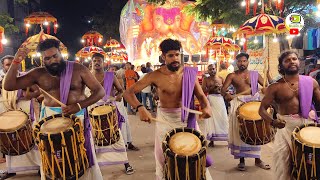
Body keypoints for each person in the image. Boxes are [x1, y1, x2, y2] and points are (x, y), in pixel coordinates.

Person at [3, 39, 105, 180]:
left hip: (77, 118)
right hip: (49, 122)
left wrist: (79, 106)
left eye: (55, 56)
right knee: (54, 160)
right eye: (48, 58)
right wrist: (16, 62)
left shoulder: (78, 69)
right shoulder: (38, 74)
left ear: (61, 53)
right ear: (42, 59)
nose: (53, 60)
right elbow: (8, 85)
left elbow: (100, 92)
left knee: (81, 158)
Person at [124, 38, 213, 179]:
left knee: (195, 153)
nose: (175, 58)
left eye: (177, 55)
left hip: (187, 118)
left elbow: (201, 96)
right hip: (165, 118)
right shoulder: (155, 75)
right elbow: (128, 93)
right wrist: (140, 108)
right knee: (165, 156)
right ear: (163, 57)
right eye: (171, 55)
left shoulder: (189, 74)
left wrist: (207, 106)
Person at [259, 50, 320, 180]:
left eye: (294, 59)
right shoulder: (275, 87)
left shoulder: (311, 82)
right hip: (285, 128)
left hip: (307, 127)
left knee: (309, 165)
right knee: (283, 164)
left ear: (299, 62)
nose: (291, 61)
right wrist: (273, 121)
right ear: (281, 66)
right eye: (287, 60)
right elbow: (262, 110)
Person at [221, 52, 270, 171]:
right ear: (236, 63)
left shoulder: (255, 74)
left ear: (248, 62)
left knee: (256, 130)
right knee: (240, 131)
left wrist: (264, 87)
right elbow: (223, 89)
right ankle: (241, 160)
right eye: (239, 61)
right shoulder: (232, 76)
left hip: (254, 105)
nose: (242, 63)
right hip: (239, 103)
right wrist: (226, 94)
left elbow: (266, 86)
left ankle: (257, 159)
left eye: (244, 61)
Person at [88, 53, 134, 174]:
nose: (97, 62)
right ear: (91, 62)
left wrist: (117, 97)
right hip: (93, 111)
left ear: (104, 62)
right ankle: (93, 166)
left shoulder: (110, 76)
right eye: (94, 61)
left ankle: (126, 163)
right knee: (93, 139)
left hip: (110, 111)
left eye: (99, 60)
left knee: (117, 136)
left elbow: (121, 91)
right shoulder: (88, 76)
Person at [0, 55, 42, 179]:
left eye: (13, 64)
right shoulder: (2, 80)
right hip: (10, 114)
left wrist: (30, 95)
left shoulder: (25, 77)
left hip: (25, 113)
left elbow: (38, 92)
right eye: (7, 64)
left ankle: (39, 166)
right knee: (10, 141)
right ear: (3, 66)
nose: (10, 66)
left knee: (32, 139)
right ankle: (11, 169)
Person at [109, 65, 139, 151]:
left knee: (124, 124)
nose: (113, 71)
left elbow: (121, 91)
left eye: (115, 70)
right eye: (112, 69)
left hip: (119, 104)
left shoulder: (119, 79)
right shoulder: (105, 79)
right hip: (111, 104)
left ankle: (127, 142)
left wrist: (117, 95)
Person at [202, 64, 228, 147]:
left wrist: (221, 89)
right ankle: (212, 141)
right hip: (211, 100)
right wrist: (212, 87)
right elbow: (203, 90)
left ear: (216, 69)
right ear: (208, 71)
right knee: (212, 120)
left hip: (220, 99)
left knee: (223, 118)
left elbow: (225, 89)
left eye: (213, 69)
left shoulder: (221, 79)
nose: (212, 71)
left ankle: (227, 138)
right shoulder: (206, 79)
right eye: (210, 69)